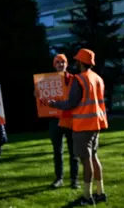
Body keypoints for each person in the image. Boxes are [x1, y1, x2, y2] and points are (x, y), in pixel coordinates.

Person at [47, 49, 108, 206]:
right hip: (96, 123)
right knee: (94, 157)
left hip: (83, 125)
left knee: (86, 160)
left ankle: (87, 196)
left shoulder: (79, 79)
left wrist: (54, 104)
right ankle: (100, 193)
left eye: (77, 60)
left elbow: (71, 103)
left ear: (81, 62)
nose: (75, 63)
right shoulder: (98, 78)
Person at [48, 54, 80, 189]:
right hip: (54, 120)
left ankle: (74, 180)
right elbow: (43, 98)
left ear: (67, 64)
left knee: (73, 151)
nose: (60, 64)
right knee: (57, 151)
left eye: (63, 62)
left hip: (70, 119)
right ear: (54, 65)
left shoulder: (73, 79)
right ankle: (59, 178)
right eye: (57, 62)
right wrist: (38, 94)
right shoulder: (47, 81)